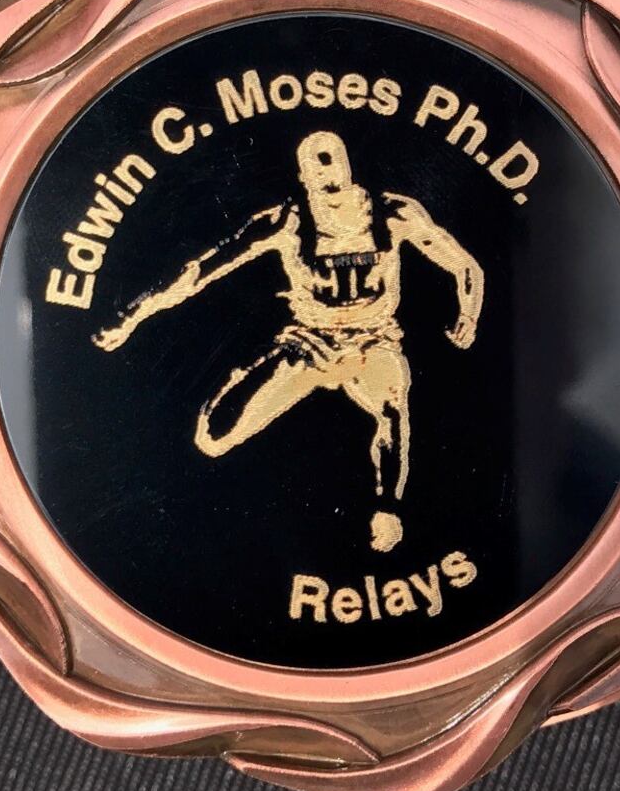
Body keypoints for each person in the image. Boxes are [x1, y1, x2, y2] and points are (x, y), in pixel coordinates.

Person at [94, 131, 483, 551]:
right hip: (310, 343)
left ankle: (387, 511)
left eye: (333, 165)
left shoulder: (393, 214)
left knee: (392, 405)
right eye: (318, 171)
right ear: (304, 178)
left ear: (348, 167)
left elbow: (464, 265)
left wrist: (469, 315)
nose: (329, 181)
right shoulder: (287, 222)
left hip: (373, 343)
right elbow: (201, 272)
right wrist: (133, 315)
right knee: (211, 437)